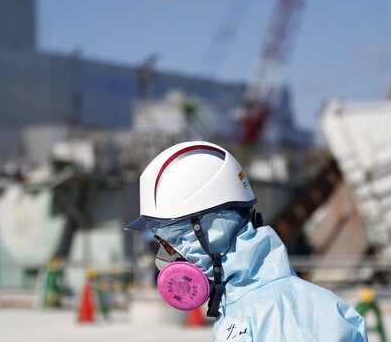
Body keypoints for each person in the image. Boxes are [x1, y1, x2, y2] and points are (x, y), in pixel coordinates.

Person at [125, 141, 367, 342]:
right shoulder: (240, 304)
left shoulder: (289, 316)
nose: (168, 258)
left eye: (173, 241)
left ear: (214, 230)